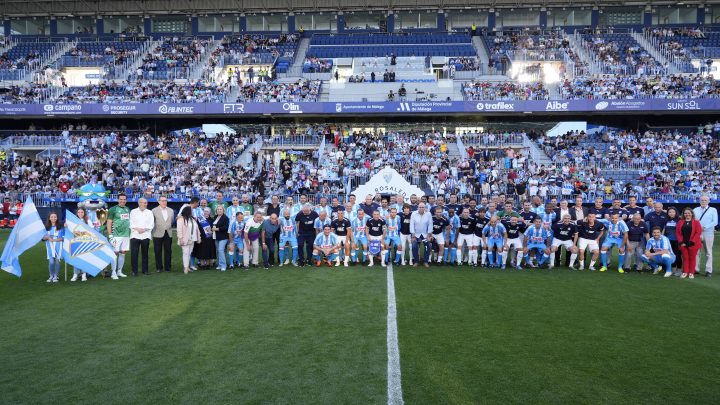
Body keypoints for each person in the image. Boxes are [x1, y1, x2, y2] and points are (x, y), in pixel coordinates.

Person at [106, 193, 130, 280]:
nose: (122, 201)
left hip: (126, 235)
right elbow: (109, 222)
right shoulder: (113, 209)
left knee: (123, 253)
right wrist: (110, 235)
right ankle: (113, 272)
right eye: (121, 199)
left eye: (124, 199)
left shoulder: (127, 209)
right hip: (116, 235)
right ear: (118, 200)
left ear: (126, 200)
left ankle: (119, 271)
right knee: (115, 253)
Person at [692, 195, 717, 277]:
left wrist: (705, 227)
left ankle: (708, 270)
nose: (703, 201)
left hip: (708, 233)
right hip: (697, 233)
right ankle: (696, 269)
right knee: (696, 252)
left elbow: (715, 222)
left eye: (705, 200)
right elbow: (693, 220)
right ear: (699, 201)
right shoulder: (695, 209)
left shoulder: (713, 210)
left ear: (708, 201)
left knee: (708, 252)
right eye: (702, 200)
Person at [129, 198, 154, 276]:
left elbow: (151, 224)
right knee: (134, 254)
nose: (145, 204)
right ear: (139, 203)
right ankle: (134, 271)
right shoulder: (133, 211)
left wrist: (144, 229)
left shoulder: (150, 212)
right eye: (144, 203)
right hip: (135, 235)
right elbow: (131, 223)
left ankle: (145, 270)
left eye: (146, 203)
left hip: (145, 235)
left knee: (145, 254)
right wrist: (137, 229)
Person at [676, 208, 702, 279]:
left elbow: (698, 232)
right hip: (683, 244)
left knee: (692, 258)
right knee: (685, 258)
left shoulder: (696, 222)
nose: (687, 214)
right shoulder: (680, 222)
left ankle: (691, 273)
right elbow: (678, 233)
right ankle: (685, 272)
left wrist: (691, 242)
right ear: (683, 214)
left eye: (689, 213)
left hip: (693, 244)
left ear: (692, 213)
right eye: (685, 213)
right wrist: (681, 242)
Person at [151, 196, 174, 273]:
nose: (164, 202)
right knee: (157, 251)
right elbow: (152, 222)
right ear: (159, 202)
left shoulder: (171, 210)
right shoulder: (154, 210)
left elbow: (172, 221)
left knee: (168, 251)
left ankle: (168, 267)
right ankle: (159, 267)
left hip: (168, 232)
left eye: (165, 200)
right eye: (163, 201)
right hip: (157, 233)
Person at [176, 206, 200, 274]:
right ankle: (186, 268)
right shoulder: (181, 219)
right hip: (184, 239)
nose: (192, 212)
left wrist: (198, 238)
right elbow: (179, 230)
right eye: (191, 210)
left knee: (189, 253)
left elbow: (197, 229)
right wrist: (180, 238)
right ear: (188, 211)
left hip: (192, 239)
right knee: (186, 253)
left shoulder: (192, 219)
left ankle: (187, 267)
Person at [71, 207, 91, 282]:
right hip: (76, 242)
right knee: (76, 259)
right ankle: (75, 274)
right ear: (77, 213)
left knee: (84, 259)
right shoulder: (73, 221)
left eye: (82, 212)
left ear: (84, 213)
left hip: (85, 243)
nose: (80, 214)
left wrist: (82, 233)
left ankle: (84, 274)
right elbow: (71, 230)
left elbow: (91, 231)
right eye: (79, 212)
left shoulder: (88, 221)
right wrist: (66, 225)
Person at [410, 202, 432, 267]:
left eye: (423, 207)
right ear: (418, 208)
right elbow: (411, 225)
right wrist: (413, 235)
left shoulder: (428, 214)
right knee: (414, 246)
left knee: (427, 246)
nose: (421, 208)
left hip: (425, 235)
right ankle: (416, 261)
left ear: (425, 208)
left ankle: (425, 261)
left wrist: (428, 235)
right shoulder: (414, 214)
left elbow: (430, 224)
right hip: (416, 235)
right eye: (420, 207)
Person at [43, 212, 63, 283]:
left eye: (55, 217)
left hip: (58, 246)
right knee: (51, 262)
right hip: (50, 247)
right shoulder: (46, 227)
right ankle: (51, 275)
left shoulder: (60, 227)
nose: (53, 218)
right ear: (49, 218)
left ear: (57, 218)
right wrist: (47, 237)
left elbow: (62, 238)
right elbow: (43, 238)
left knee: (57, 261)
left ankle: (56, 276)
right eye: (52, 217)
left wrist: (54, 239)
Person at [663, 207, 682, 276]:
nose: (671, 213)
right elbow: (664, 230)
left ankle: (679, 270)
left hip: (677, 241)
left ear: (676, 212)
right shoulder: (666, 220)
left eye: (673, 212)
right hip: (668, 241)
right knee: (671, 255)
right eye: (670, 212)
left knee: (678, 255)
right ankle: (673, 269)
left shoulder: (679, 220)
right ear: (668, 213)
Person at [212, 205, 229, 271]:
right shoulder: (215, 217)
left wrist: (217, 229)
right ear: (216, 211)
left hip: (223, 237)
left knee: (221, 250)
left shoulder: (225, 218)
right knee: (219, 251)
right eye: (218, 209)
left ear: (223, 210)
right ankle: (220, 264)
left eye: (220, 209)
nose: (219, 210)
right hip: (216, 236)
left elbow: (226, 227)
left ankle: (224, 265)